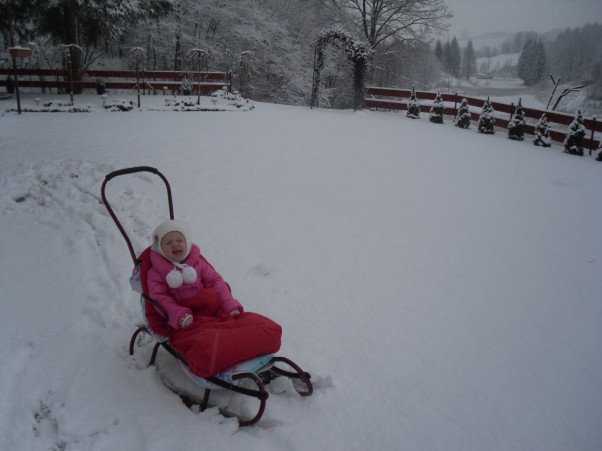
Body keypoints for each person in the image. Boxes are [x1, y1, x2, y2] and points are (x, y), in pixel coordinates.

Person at [147, 219, 243, 330]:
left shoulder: (197, 262)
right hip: (187, 319)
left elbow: (216, 281)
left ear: (187, 243)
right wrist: (178, 314)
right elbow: (159, 298)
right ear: (160, 249)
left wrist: (228, 304)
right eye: (168, 242)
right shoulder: (156, 274)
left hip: (212, 308)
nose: (175, 244)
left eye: (179, 240)